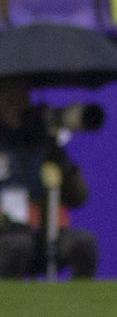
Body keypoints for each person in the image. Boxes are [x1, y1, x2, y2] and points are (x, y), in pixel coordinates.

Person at [0, 79, 98, 279]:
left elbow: (78, 198)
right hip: (7, 235)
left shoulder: (42, 142)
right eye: (11, 100)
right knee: (18, 246)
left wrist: (62, 162)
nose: (18, 107)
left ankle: (80, 306)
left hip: (43, 234)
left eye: (23, 100)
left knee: (83, 244)